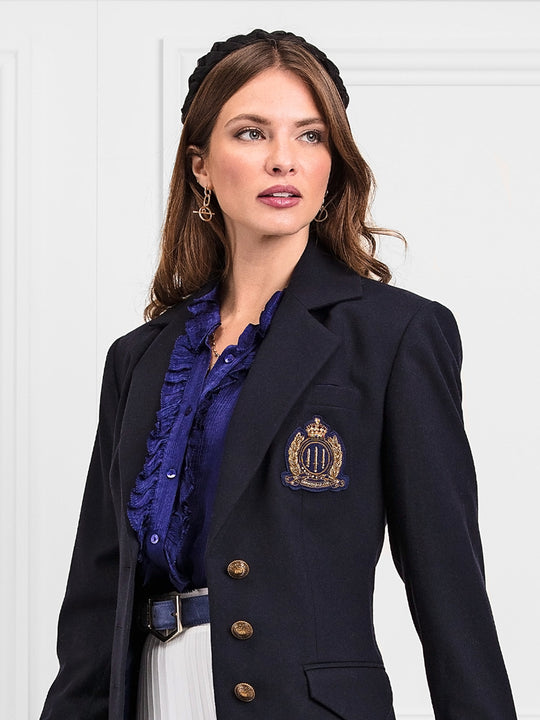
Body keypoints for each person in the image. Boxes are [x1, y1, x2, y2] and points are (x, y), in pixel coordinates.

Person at [40, 29, 517, 720]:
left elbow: (450, 587)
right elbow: (95, 596)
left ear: (333, 164)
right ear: (201, 166)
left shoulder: (396, 335)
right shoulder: (138, 358)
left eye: (310, 136)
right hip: (147, 695)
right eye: (251, 133)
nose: (283, 160)